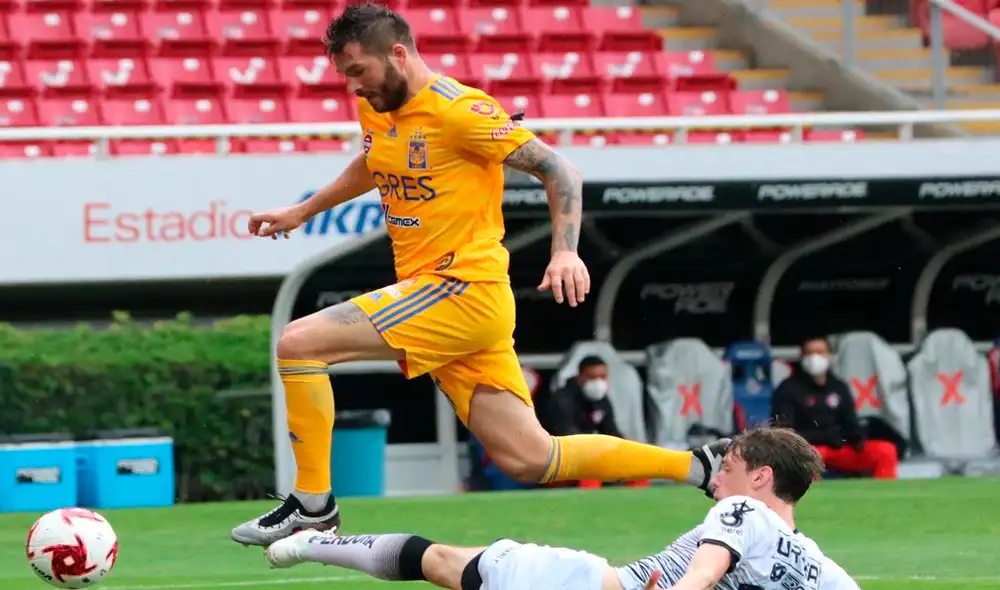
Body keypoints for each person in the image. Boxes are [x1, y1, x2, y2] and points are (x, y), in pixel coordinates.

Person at [231, 2, 729, 546]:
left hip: (458, 288)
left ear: (398, 54)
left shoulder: (461, 110)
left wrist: (565, 251)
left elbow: (559, 168)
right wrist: (303, 211)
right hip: (452, 305)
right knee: (531, 457)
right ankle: (698, 466)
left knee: (299, 343)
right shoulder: (380, 107)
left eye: (358, 71)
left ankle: (312, 504)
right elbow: (374, 162)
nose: (353, 87)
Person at [264, 427, 861, 590]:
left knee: (445, 562)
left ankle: (313, 540)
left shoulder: (742, 514)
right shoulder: (819, 565)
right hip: (592, 582)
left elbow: (701, 576)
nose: (715, 484)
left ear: (759, 477)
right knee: (450, 565)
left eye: (725, 471)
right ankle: (316, 544)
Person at [771, 336, 899, 480]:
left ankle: (883, 494)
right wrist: (824, 437)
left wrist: (856, 437)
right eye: (810, 353)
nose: (815, 358)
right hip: (809, 449)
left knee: (885, 451)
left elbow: (850, 422)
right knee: (807, 457)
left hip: (839, 448)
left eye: (820, 352)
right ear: (802, 357)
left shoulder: (839, 387)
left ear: (829, 356)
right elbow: (784, 432)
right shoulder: (788, 389)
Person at [538, 356, 623, 438]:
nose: (598, 382)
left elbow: (612, 432)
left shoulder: (602, 400)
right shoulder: (562, 400)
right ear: (579, 377)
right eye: (592, 377)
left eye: (602, 377)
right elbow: (568, 434)